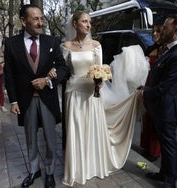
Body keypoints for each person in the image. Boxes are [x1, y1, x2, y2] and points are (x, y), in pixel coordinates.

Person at [59, 10, 149, 186]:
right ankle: (78, 169)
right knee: (76, 131)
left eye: (89, 22)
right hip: (74, 93)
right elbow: (64, 71)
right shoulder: (66, 46)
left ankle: (93, 165)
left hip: (92, 93)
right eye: (84, 21)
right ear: (75, 24)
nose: (88, 25)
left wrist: (100, 82)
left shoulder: (96, 45)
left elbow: (99, 69)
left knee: (91, 128)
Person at [3, 4, 69, 188]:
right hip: (25, 100)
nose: (41, 22)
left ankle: (49, 171)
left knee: (50, 138)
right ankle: (34, 170)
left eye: (42, 18)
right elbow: (9, 74)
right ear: (23, 21)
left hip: (47, 98)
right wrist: (13, 100)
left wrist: (48, 81)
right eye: (36, 19)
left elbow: (63, 68)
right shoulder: (11, 43)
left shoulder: (51, 41)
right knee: (30, 137)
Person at [137, 14, 177, 188]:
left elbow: (165, 87)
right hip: (160, 106)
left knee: (169, 146)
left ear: (175, 30)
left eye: (166, 27)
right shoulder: (170, 48)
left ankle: (170, 182)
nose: (162, 30)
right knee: (164, 143)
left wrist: (146, 93)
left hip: (166, 108)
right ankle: (163, 173)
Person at [140, 18, 166, 162]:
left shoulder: (166, 50)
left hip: (156, 88)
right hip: (146, 85)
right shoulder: (150, 48)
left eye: (158, 31)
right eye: (153, 31)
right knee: (146, 118)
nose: (154, 34)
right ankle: (145, 146)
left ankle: (154, 152)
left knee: (155, 120)